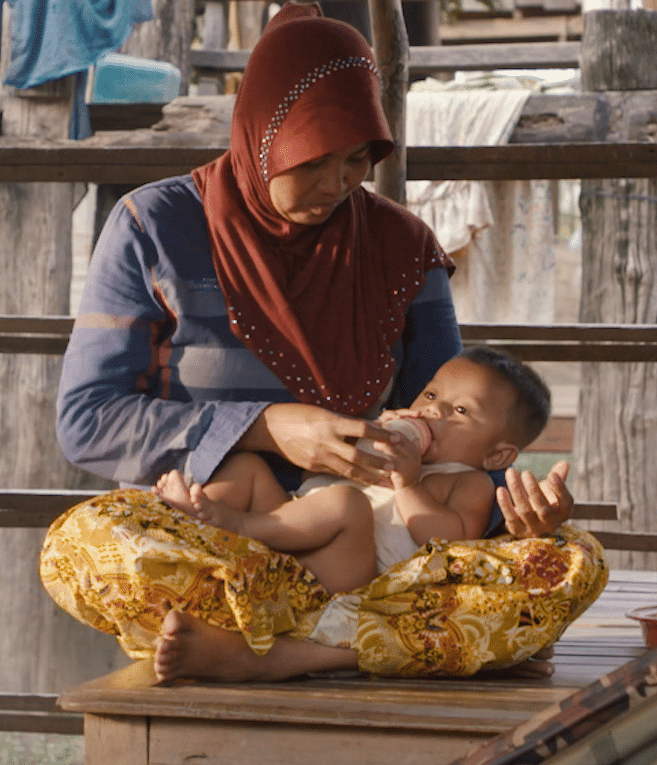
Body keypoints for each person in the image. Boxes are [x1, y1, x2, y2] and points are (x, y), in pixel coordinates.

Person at [40, 3, 606, 686]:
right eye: (314, 161)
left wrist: (515, 519)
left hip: (374, 565)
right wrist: (262, 427)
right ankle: (374, 640)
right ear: (263, 136)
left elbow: (449, 420)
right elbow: (88, 422)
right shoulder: (152, 228)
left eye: (357, 160)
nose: (338, 185)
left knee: (571, 561)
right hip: (218, 546)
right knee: (82, 543)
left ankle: (286, 650)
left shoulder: (400, 248)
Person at [153, 348, 552, 598]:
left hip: (348, 577)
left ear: (498, 456)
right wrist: (377, 433)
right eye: (431, 395)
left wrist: (410, 484)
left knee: (348, 503)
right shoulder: (391, 440)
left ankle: (231, 526)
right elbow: (331, 467)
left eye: (461, 411)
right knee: (248, 466)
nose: (434, 411)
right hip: (294, 533)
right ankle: (198, 528)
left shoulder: (468, 481)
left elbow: (448, 541)